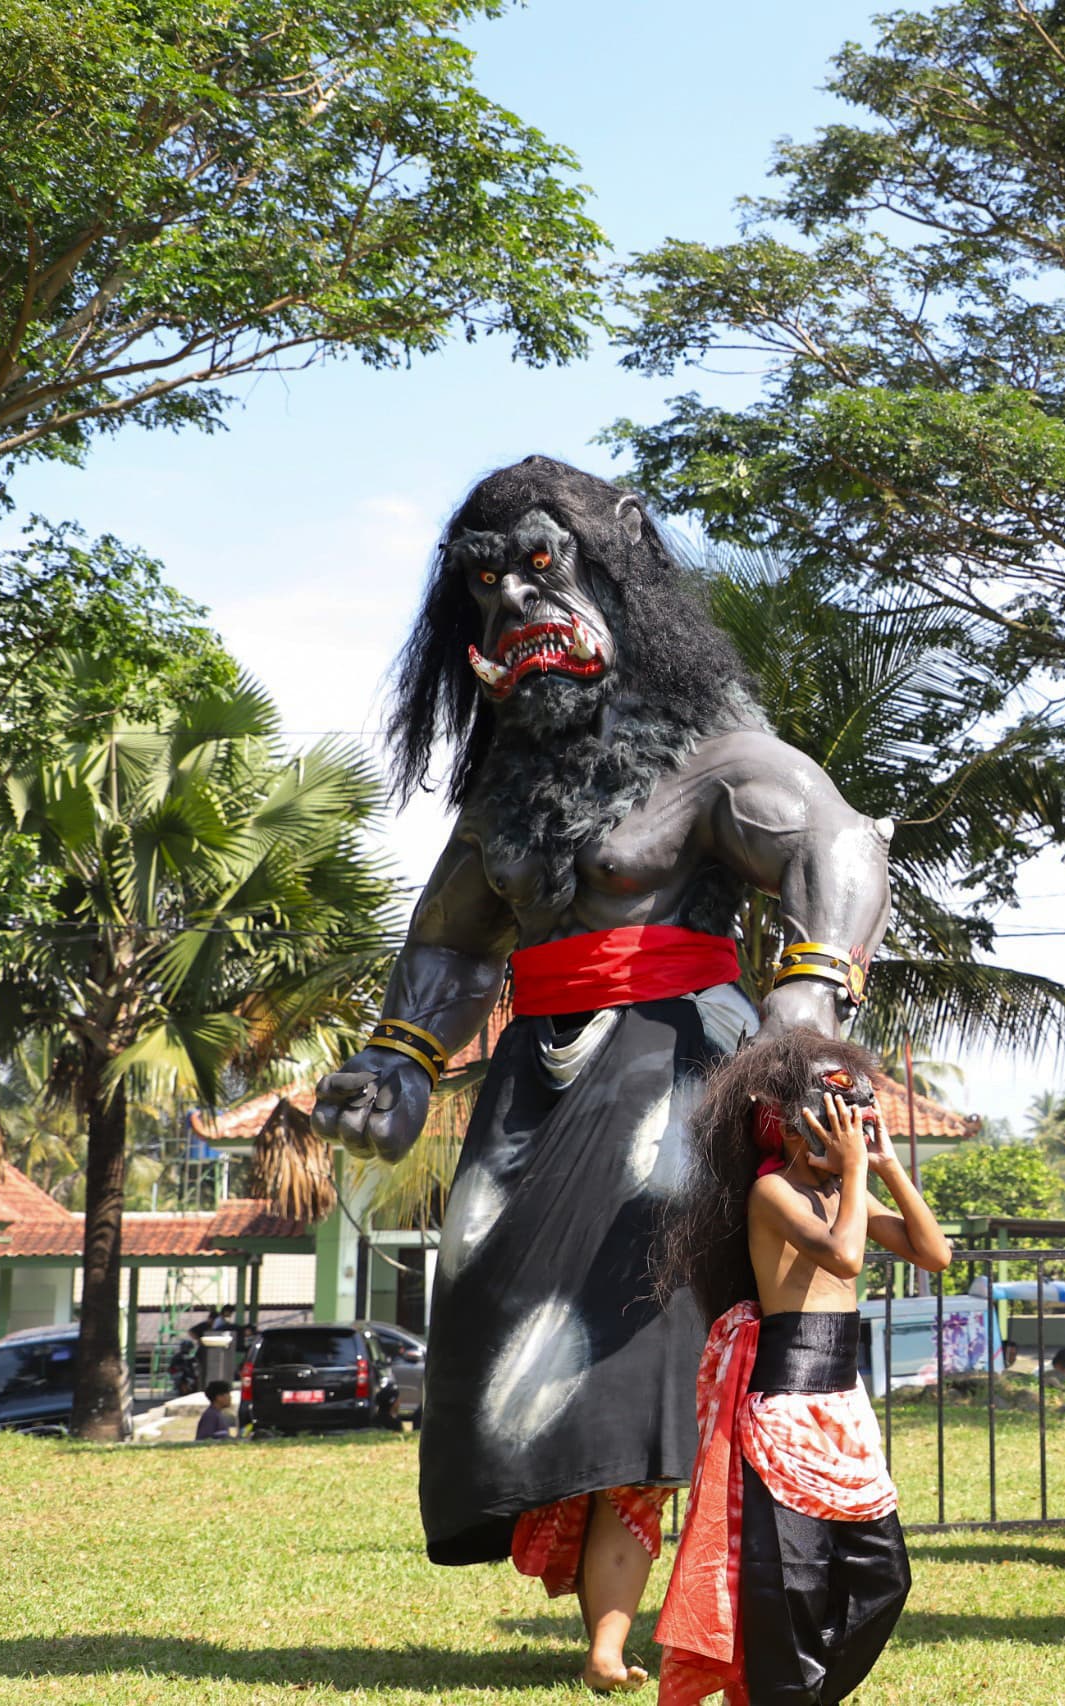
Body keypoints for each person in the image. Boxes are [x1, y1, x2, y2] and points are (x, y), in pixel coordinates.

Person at [311, 459, 895, 1692]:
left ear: (619, 558)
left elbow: (832, 846)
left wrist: (805, 1004)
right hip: (532, 1088)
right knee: (490, 1322)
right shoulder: (503, 796)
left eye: (542, 564)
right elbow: (451, 940)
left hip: (673, 1076)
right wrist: (399, 1057)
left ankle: (638, 1623)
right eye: (487, 583)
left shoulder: (725, 753)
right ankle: (602, 1592)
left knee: (635, 1348)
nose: (517, 601)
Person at [651, 1026, 952, 1706]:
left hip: (842, 1406)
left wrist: (887, 1166)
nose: (848, 1130)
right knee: (791, 1583)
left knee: (883, 1575)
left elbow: (936, 1256)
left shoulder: (845, 1192)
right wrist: (851, 1174)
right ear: (790, 1124)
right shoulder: (775, 1194)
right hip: (784, 1405)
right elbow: (844, 1259)